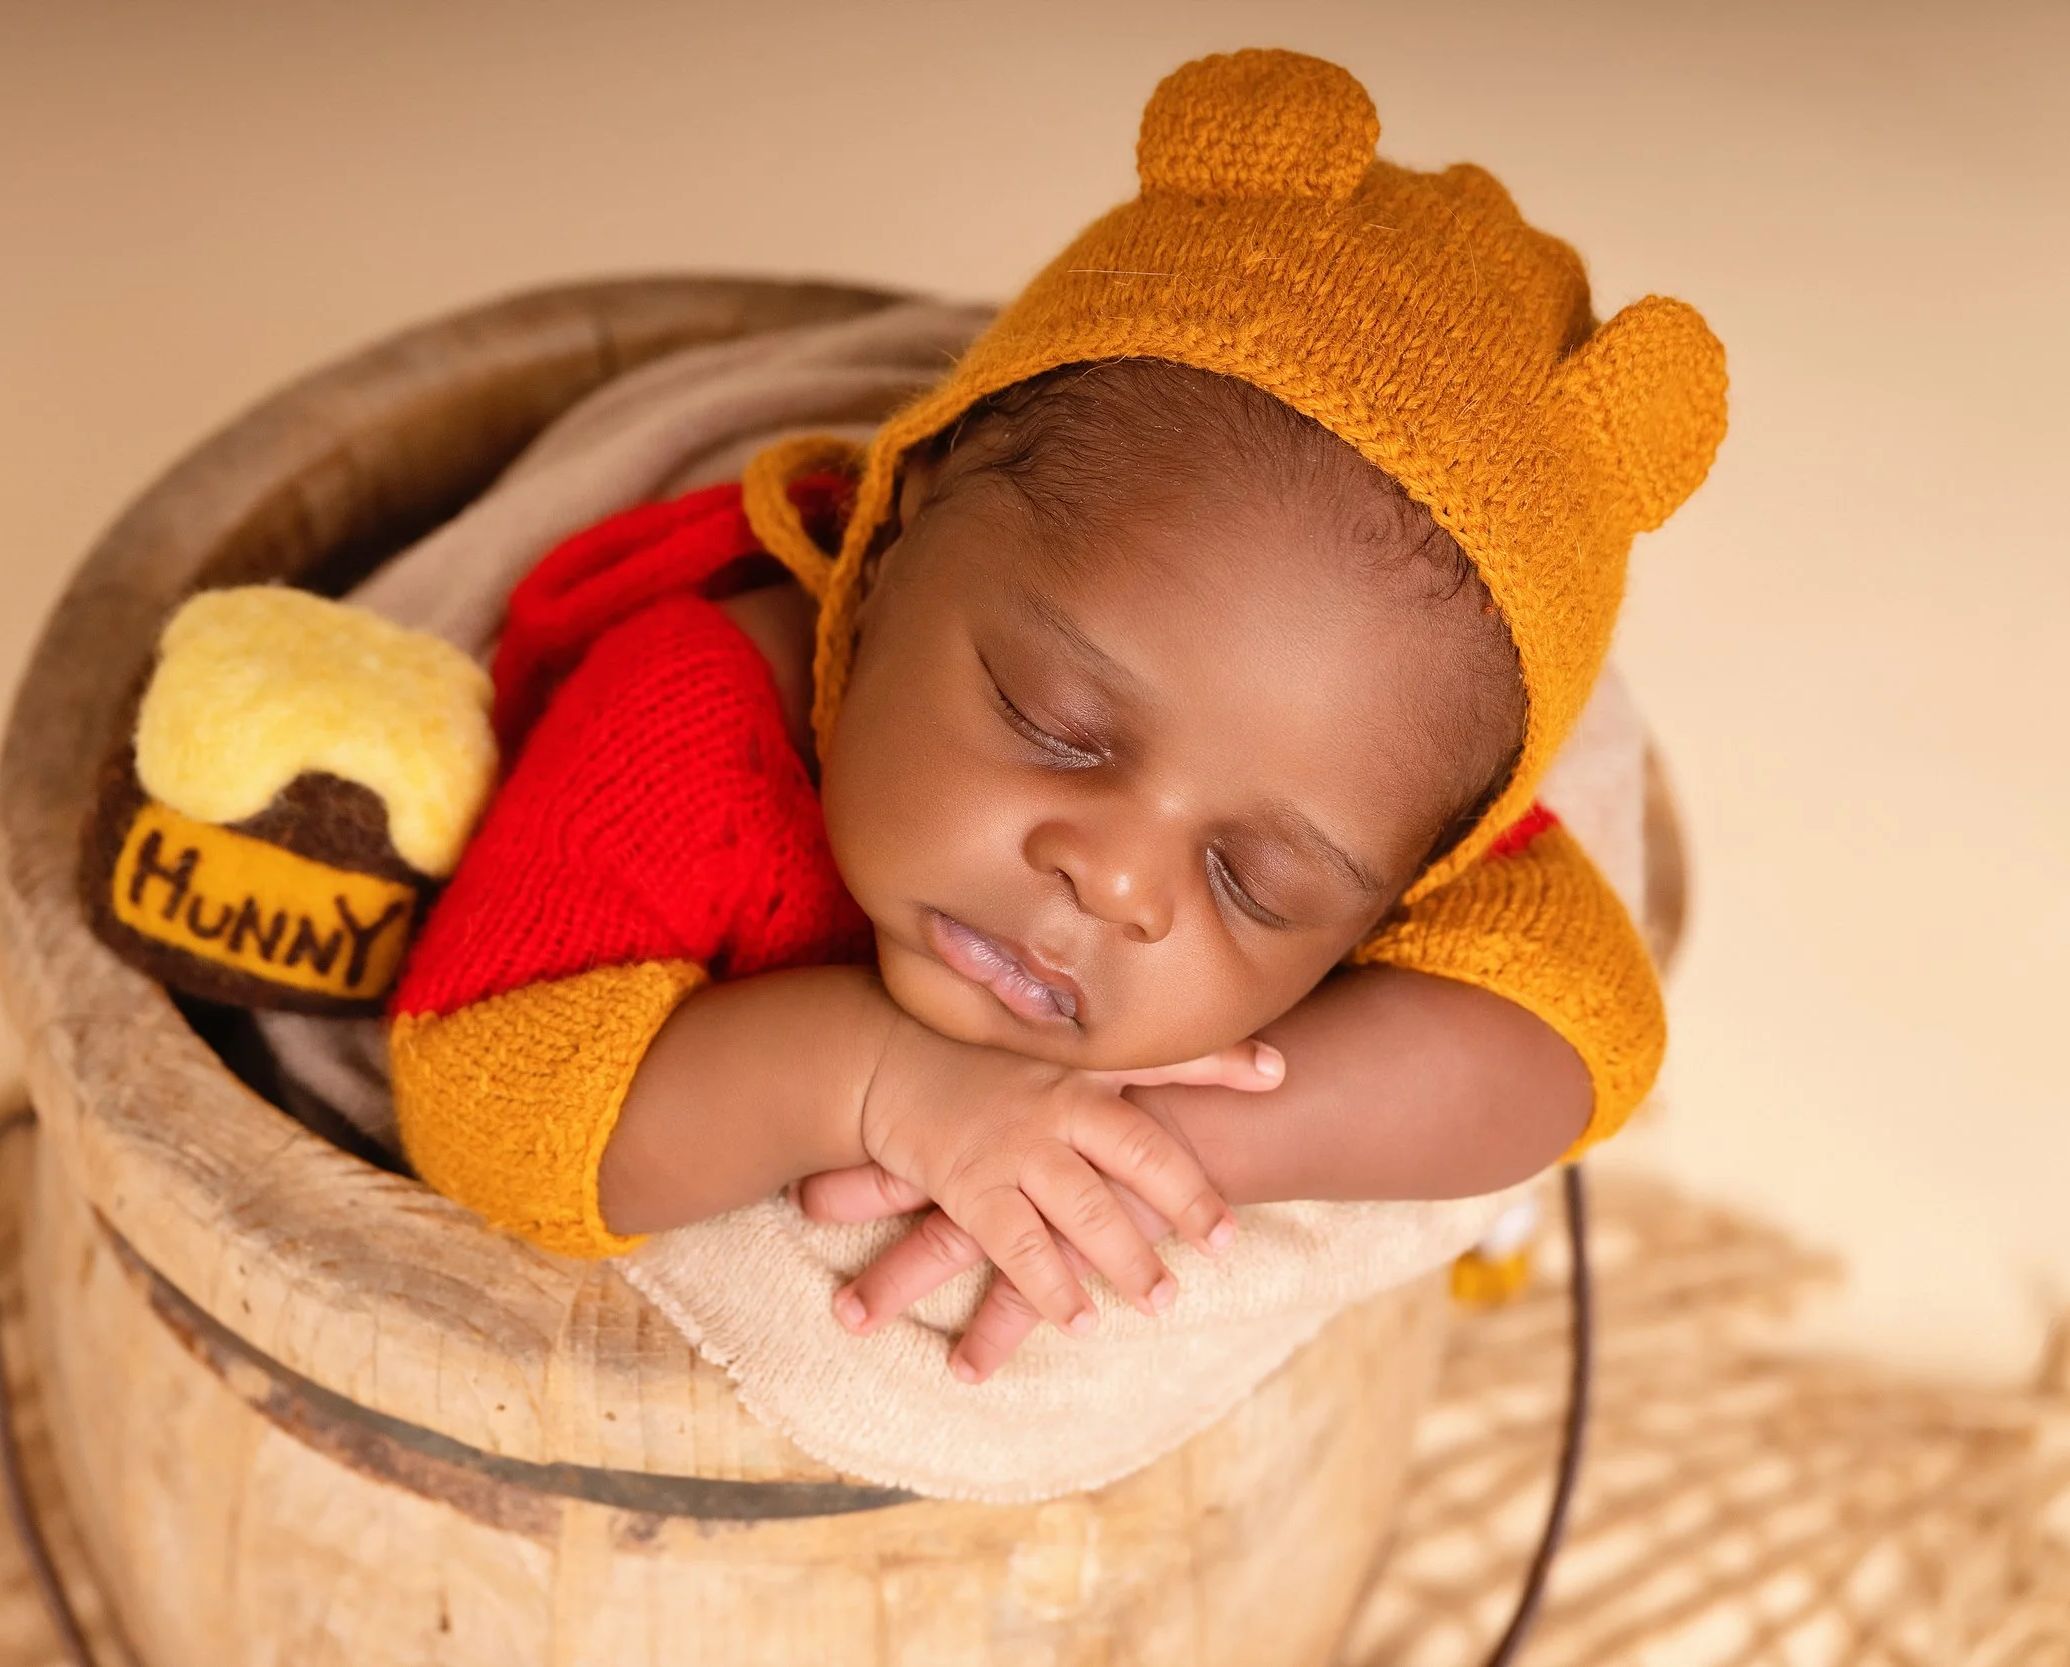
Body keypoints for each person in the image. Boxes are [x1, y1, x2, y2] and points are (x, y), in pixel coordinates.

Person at [386, 47, 1726, 1383]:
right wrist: (877, 1082)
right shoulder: (691, 716)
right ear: (892, 535)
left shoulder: (1345, 779)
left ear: (1403, 885)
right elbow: (483, 1098)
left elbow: (1584, 1032)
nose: (1118, 879)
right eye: (1058, 722)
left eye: (1252, 882)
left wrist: (1153, 1134)